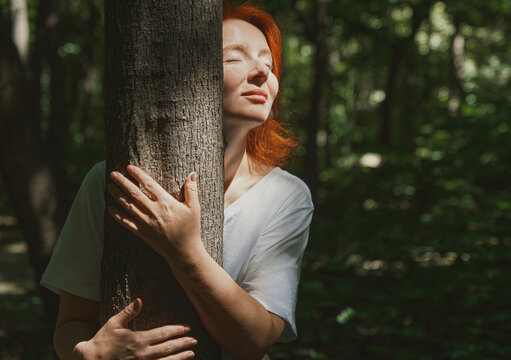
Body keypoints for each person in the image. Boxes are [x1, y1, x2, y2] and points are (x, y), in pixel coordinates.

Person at [41, 2, 313, 359]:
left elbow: (256, 339)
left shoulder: (285, 195)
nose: (262, 71)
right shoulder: (113, 182)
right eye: (235, 59)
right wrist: (89, 353)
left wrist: (185, 251)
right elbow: (70, 325)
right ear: (186, 69)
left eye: (268, 62)